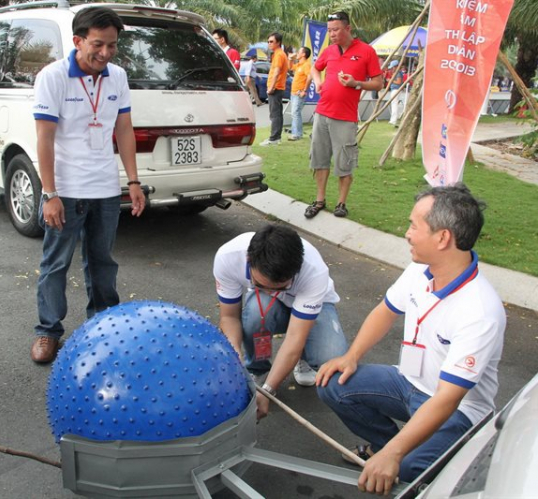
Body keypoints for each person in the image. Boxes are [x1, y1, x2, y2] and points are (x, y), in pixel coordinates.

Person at [316, 184, 505, 495]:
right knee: (332, 383)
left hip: (459, 411)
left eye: (414, 225)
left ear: (443, 238)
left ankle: (410, 460)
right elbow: (385, 311)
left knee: (401, 472)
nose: (407, 233)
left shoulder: (480, 310)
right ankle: (386, 448)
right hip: (407, 383)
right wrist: (350, 356)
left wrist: (396, 454)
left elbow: (447, 399)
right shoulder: (420, 271)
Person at [31, 7, 146, 364]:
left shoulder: (118, 77)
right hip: (66, 190)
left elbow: (123, 130)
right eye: (98, 45)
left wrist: (133, 181)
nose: (106, 53)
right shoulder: (52, 77)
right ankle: (48, 332)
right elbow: (44, 139)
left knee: (102, 263)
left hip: (106, 190)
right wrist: (49, 194)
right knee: (55, 264)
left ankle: (103, 328)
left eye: (112, 46)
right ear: (78, 40)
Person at [213, 225, 348, 420]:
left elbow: (295, 337)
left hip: (315, 304)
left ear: (296, 270)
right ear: (249, 261)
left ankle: (304, 359)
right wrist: (235, 355)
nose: (269, 289)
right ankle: (258, 368)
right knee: (254, 317)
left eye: (281, 286)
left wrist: (268, 391)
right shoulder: (228, 257)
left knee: (331, 356)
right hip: (268, 305)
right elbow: (229, 317)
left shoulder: (314, 270)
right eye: (259, 284)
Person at [306, 11, 383, 218]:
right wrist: (317, 81)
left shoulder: (366, 51)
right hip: (322, 113)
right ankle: (319, 200)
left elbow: (378, 82)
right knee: (320, 160)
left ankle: (341, 203)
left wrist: (356, 83)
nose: (331, 34)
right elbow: (315, 68)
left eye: (336, 29)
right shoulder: (329, 51)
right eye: (329, 30)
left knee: (344, 163)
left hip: (345, 118)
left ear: (348, 28)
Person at [259, 32, 289, 146]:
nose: (269, 44)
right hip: (278, 87)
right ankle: (276, 137)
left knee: (274, 114)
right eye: (268, 41)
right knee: (277, 113)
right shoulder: (279, 54)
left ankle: (274, 138)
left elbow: (276, 72)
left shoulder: (279, 55)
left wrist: (271, 87)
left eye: (271, 41)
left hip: (276, 88)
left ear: (278, 42)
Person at [288, 46, 312, 141]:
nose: (297, 53)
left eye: (299, 52)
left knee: (295, 113)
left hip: (299, 93)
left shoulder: (306, 65)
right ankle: (297, 132)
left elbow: (310, 77)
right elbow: (290, 67)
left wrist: (304, 90)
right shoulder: (299, 64)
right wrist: (290, 58)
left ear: (304, 54)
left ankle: (297, 134)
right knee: (295, 113)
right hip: (294, 92)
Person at [387, 60, 406, 126]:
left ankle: (393, 120)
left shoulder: (398, 73)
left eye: (393, 67)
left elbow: (398, 82)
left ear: (396, 66)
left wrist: (391, 80)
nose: (392, 69)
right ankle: (394, 119)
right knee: (395, 104)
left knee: (394, 105)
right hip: (396, 90)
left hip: (396, 89)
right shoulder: (398, 73)